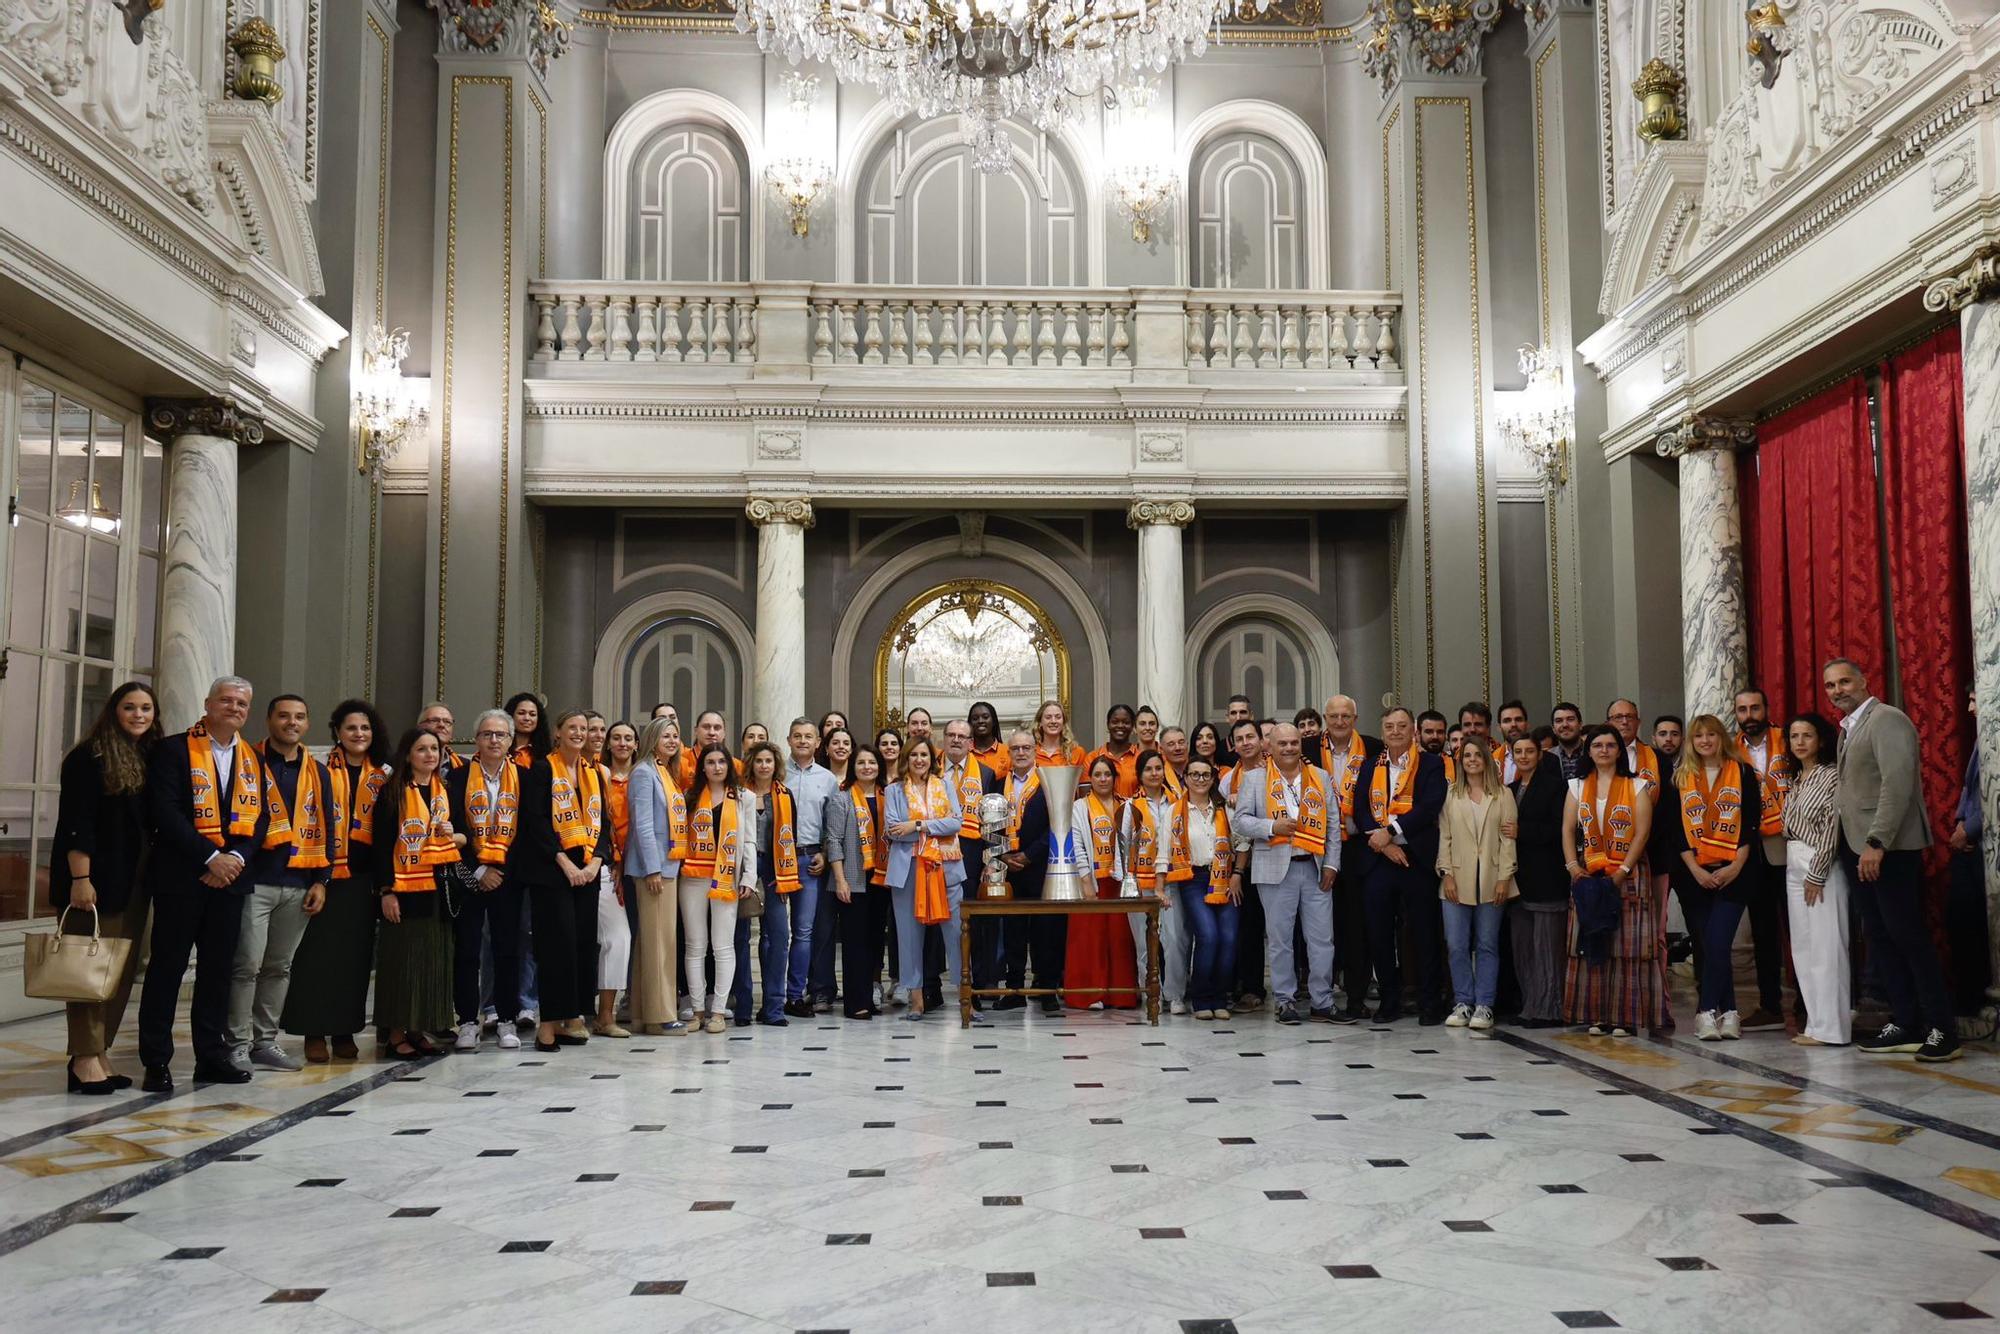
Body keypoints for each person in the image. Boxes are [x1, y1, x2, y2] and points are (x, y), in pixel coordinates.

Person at [1824, 657, 1959, 1061]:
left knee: (1909, 936)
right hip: (1857, 848)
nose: (1837, 690)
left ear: (1864, 680)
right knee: (1880, 937)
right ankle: (1905, 1022)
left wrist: (1877, 842)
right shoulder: (1848, 728)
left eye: (1845, 681)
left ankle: (1941, 1028)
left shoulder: (1887, 719)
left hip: (1890, 849)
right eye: (1830, 685)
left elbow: (1897, 785)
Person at [137, 676, 268, 1092]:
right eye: (226, 700)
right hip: (182, 879)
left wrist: (237, 859)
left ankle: (211, 1058)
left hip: (230, 882)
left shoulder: (252, 757)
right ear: (208, 703)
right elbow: (165, 810)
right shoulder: (173, 749)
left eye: (242, 703)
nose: (234, 708)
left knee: (217, 974)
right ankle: (156, 1061)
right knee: (167, 971)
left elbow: (261, 819)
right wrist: (211, 857)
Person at [50, 682, 159, 1093]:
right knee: (87, 971)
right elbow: (77, 825)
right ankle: (83, 1057)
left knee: (119, 972)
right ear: (114, 711)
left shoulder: (146, 756)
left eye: (146, 708)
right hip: (94, 882)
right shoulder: (88, 757)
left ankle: (99, 1052)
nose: (138, 715)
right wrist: (81, 878)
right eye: (130, 707)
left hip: (133, 882)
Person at [227, 694, 331, 1073]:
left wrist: (321, 880)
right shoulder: (247, 762)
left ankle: (265, 1041)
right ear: (269, 720)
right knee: (246, 965)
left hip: (299, 881)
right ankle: (237, 1043)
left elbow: (328, 827)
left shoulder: (317, 772)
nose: (292, 722)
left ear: (307, 724)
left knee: (279, 967)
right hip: (255, 880)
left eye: (300, 717)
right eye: (284, 715)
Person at [286, 700, 390, 1063]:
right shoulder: (318, 770)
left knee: (355, 960)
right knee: (314, 958)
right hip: (325, 875)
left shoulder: (384, 774)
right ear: (336, 732)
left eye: (364, 728)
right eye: (350, 728)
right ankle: (314, 1032)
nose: (358, 734)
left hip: (364, 880)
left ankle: (345, 1030)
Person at [1658, 715, 1765, 1041]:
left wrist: (1735, 866)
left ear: (1722, 738)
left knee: (1719, 942)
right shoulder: (1681, 777)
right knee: (1708, 945)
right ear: (1692, 742)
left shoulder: (1743, 772)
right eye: (1699, 736)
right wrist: (1695, 870)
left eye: (1711, 735)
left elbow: (1750, 824)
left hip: (1735, 872)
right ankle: (1730, 1013)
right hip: (1694, 876)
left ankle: (1706, 1012)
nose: (1705, 741)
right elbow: (1676, 832)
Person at [511, 710, 611, 1053]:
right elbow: (535, 823)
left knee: (583, 947)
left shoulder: (594, 773)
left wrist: (596, 861)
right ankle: (548, 1025)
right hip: (552, 873)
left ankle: (572, 1019)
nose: (580, 733)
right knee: (557, 947)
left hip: (588, 872)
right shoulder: (542, 769)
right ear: (557, 732)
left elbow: (605, 823)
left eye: (584, 729)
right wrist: (565, 863)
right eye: (573, 728)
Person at [1232, 723, 1340, 1025]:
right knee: (1280, 941)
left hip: (1315, 867)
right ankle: (1284, 1001)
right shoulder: (1255, 779)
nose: (1290, 748)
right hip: (1275, 869)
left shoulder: (1319, 776)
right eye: (1283, 744)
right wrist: (1270, 827)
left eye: (1294, 743)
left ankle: (1323, 1001)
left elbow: (1333, 824)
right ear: (1271, 747)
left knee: (1322, 939)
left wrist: (1332, 864)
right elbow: (1240, 821)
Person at [1560, 724, 1660, 1037]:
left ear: (1619, 751)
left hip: (1628, 874)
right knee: (1593, 942)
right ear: (1588, 751)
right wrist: (1573, 868)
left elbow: (1642, 832)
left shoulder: (1638, 785)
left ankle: (1625, 1018)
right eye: (1597, 745)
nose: (1604, 750)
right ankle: (1596, 1016)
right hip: (1590, 874)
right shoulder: (1576, 785)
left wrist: (1624, 870)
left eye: (1610, 745)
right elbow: (1566, 829)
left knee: (1627, 946)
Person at [1351, 707, 1449, 1024]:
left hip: (1416, 860)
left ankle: (1430, 1002)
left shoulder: (1432, 765)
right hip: (1378, 861)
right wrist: (1385, 845)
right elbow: (1360, 809)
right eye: (1389, 726)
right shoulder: (1369, 767)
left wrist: (1391, 833)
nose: (1395, 731)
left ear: (1414, 731)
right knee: (1379, 934)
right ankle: (1389, 1002)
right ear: (1382, 732)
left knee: (1424, 933)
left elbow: (1429, 806)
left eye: (1402, 726)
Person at [372, 728, 463, 1058]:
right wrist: (386, 892)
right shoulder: (392, 792)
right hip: (404, 889)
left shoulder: (445, 790)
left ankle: (418, 1028)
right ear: (408, 754)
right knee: (403, 962)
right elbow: (381, 847)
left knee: (432, 962)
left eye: (434, 749)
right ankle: (396, 1034)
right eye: (422, 749)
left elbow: (461, 835)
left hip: (438, 888)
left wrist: (456, 834)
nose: (430, 755)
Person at [446, 709, 525, 1052]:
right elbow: (450, 828)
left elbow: (530, 831)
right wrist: (478, 870)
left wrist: (502, 871)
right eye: (487, 734)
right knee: (467, 951)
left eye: (501, 735)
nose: (494, 740)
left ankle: (506, 1018)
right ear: (476, 739)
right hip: (471, 878)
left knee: (508, 950)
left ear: (510, 741)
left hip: (508, 878)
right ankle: (466, 1021)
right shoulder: (458, 779)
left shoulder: (524, 777)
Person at [1778, 712, 1852, 1046]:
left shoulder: (1831, 776)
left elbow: (1831, 829)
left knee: (1827, 946)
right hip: (1793, 862)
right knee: (1804, 949)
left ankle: (1833, 1028)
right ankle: (1815, 1023)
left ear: (1820, 739)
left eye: (1806, 735)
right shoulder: (1796, 779)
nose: (1800, 742)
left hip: (1818, 863)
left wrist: (1817, 872)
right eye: (1794, 736)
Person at [1435, 737, 1517, 1033]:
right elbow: (1444, 837)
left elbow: (1508, 839)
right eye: (1466, 755)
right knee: (1456, 944)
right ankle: (1463, 1001)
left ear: (1486, 759)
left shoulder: (1503, 794)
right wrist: (1446, 873)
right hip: (1456, 879)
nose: (1471, 759)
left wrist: (1504, 877)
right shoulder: (1451, 795)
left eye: (1476, 755)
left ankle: (1484, 1003)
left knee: (1487, 944)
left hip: (1493, 879)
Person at [885, 738, 965, 1019]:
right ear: (907, 758)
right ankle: (916, 999)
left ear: (933, 759)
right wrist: (933, 828)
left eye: (925, 755)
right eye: (915, 755)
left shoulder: (945, 786)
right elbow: (894, 830)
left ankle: (966, 998)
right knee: (908, 936)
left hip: (947, 867)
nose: (920, 760)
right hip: (908, 870)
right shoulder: (894, 790)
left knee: (956, 935)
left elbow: (957, 822)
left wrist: (918, 825)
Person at [622, 716, 689, 1037]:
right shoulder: (644, 772)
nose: (673, 741)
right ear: (652, 738)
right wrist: (651, 868)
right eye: (666, 736)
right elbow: (643, 825)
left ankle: (641, 1014)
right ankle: (661, 1016)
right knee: (659, 943)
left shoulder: (665, 772)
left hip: (668, 867)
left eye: (676, 736)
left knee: (652, 942)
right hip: (654, 870)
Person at [680, 743, 753, 1033]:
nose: (717, 767)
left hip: (726, 876)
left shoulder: (743, 796)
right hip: (692, 876)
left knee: (723, 945)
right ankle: (698, 1010)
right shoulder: (691, 796)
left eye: (722, 761)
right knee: (695, 945)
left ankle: (719, 1011)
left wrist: (748, 876)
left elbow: (749, 840)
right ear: (702, 767)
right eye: (710, 762)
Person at [1728, 688, 1790, 1032]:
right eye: (1742, 710)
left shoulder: (1789, 738)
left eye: (1755, 707)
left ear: (1767, 708)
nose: (1749, 715)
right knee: (1764, 930)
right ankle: (1770, 1005)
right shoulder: (1731, 750)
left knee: (1802, 930)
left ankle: (1813, 1005)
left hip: (1792, 844)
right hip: (1753, 850)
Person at [988, 730, 1062, 1014]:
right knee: (1013, 933)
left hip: (1040, 866)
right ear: (1008, 752)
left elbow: (1057, 824)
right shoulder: (996, 784)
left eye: (1026, 748)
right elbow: (988, 824)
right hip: (1008, 869)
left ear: (1036, 750)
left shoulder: (1047, 782)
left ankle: (1046, 990)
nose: (1021, 752)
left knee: (1046, 932)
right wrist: (1004, 854)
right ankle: (1015, 990)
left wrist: (1030, 855)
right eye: (1016, 748)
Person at [728, 740, 799, 1026]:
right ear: (751, 764)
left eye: (769, 761)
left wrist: (787, 877)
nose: (764, 766)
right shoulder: (738, 794)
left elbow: (789, 838)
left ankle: (773, 1008)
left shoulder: (784, 795)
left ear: (776, 765)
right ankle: (743, 1006)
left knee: (779, 937)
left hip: (774, 868)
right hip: (742, 867)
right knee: (739, 938)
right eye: (759, 761)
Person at [1321, 694, 1380, 1022]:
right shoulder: (1309, 747)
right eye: (1334, 717)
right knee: (1322, 927)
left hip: (1359, 848)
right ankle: (1322, 997)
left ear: (1355, 718)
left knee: (1359, 925)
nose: (1340, 722)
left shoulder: (1372, 747)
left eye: (1346, 716)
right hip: (1320, 845)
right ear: (1326, 719)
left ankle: (1356, 996)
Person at [1118, 750, 1192, 1014]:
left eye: (1158, 768)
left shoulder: (1177, 802)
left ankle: (1175, 995)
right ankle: (1152, 993)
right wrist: (1127, 881)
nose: (1154, 773)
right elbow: (1122, 846)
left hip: (1171, 880)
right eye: (1148, 769)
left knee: (1175, 940)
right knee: (1143, 944)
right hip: (1140, 883)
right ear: (1139, 775)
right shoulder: (1130, 806)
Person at [824, 744, 891, 1019]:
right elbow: (833, 841)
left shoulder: (889, 796)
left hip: (882, 879)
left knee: (876, 941)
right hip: (853, 879)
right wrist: (840, 880)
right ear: (854, 767)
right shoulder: (842, 798)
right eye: (861, 763)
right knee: (855, 942)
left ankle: (870, 996)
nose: (867, 767)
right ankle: (856, 1002)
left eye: (872, 763)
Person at [1507, 734, 1569, 1027]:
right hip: (1517, 881)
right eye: (1518, 751)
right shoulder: (1509, 788)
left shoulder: (1556, 787)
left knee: (1547, 950)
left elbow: (1561, 830)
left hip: (1547, 879)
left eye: (1529, 751)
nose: (1524, 756)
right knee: (1523, 949)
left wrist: (1523, 831)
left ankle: (1549, 1008)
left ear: (1539, 755)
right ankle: (1530, 1005)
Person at [1065, 755, 1136, 1009]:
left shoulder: (1127, 806)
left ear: (1115, 778)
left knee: (1120, 939)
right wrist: (1085, 879)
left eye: (1107, 774)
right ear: (1090, 779)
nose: (1103, 779)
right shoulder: (1080, 807)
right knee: (1090, 939)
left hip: (1120, 883)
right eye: (1097, 775)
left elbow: (1135, 843)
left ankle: (1122, 995)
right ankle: (1090, 994)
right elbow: (1077, 845)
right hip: (1093, 883)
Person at [784, 718, 840, 1017]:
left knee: (805, 931)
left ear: (818, 742)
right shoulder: (777, 772)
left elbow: (832, 825)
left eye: (809, 737)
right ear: (788, 739)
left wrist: (826, 853)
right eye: (797, 736)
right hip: (780, 860)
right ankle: (774, 994)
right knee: (776, 932)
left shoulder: (827, 778)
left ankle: (796, 995)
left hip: (810, 860)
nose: (803, 741)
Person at [941, 719, 997, 1005]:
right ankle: (931, 986)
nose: (956, 740)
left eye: (962, 736)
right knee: (935, 920)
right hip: (936, 855)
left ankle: (978, 982)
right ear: (943, 738)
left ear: (970, 742)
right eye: (951, 735)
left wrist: (992, 860)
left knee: (975, 921)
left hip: (974, 857)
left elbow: (994, 821)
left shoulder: (986, 774)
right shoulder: (930, 770)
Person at [1177, 756, 1236, 1020]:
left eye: (1205, 775)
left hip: (1226, 877)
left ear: (1213, 779)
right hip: (1194, 879)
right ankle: (1201, 999)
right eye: (1194, 775)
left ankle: (1220, 997)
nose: (1200, 780)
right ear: (1186, 778)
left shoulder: (1224, 810)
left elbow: (1242, 844)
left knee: (1229, 938)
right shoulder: (1176, 811)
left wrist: (1238, 874)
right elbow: (1165, 849)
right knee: (1208, 936)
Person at [592, 720, 639, 1038]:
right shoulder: (596, 775)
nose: (622, 743)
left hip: (640, 868)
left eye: (628, 739)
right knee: (614, 938)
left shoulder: (647, 776)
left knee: (627, 940)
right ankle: (598, 1014)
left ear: (637, 744)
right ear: (608, 744)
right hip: (604, 867)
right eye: (616, 738)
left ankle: (619, 1008)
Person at [1948, 689, 1988, 1012]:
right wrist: (1960, 823)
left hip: (1982, 844)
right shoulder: (1980, 739)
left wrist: (1968, 829)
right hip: (1969, 843)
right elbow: (1969, 789)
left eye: (1975, 699)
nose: (1970, 707)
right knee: (1962, 922)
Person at [1084, 704, 1141, 797]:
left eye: (1126, 722)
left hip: (1132, 811)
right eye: (1115, 722)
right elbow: (1086, 798)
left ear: (1132, 726)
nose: (1120, 725)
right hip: (1099, 811)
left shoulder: (1141, 758)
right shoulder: (1092, 758)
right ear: (1108, 724)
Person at [1033, 699, 1086, 768]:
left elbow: (1084, 779)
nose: (1053, 721)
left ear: (1063, 722)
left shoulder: (1077, 752)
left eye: (1058, 717)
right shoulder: (1030, 752)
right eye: (1048, 717)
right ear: (1040, 723)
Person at [504, 691, 550, 767]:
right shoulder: (499, 747)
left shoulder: (546, 753)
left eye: (532, 714)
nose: (527, 718)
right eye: (521, 713)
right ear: (511, 715)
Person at [419, 701, 463, 772]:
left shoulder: (465, 766)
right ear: (420, 726)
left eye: (447, 722)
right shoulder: (401, 763)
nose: (442, 725)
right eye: (434, 720)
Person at [967, 701, 1007, 775]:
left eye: (985, 717)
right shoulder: (963, 753)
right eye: (975, 718)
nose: (980, 721)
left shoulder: (1008, 752)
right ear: (970, 724)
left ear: (994, 721)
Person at [1550, 702, 1587, 781]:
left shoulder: (1592, 753)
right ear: (1553, 728)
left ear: (1580, 725)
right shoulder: (1546, 758)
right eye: (1559, 721)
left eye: (1570, 719)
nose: (1565, 725)